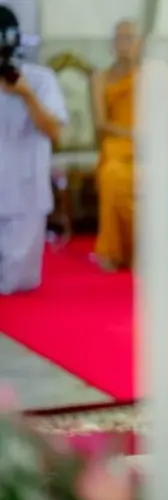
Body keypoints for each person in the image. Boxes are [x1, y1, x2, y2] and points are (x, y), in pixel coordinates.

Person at [0, 5, 67, 295]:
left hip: (24, 193)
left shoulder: (40, 79)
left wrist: (26, 95)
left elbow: (55, 133)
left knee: (15, 285)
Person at [91, 19, 140, 271]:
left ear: (141, 43)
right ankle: (112, 249)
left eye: (130, 37)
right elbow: (100, 123)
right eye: (120, 38)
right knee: (112, 177)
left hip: (148, 148)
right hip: (117, 145)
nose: (125, 44)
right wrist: (133, 133)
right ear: (112, 44)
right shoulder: (101, 77)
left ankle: (144, 251)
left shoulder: (150, 76)